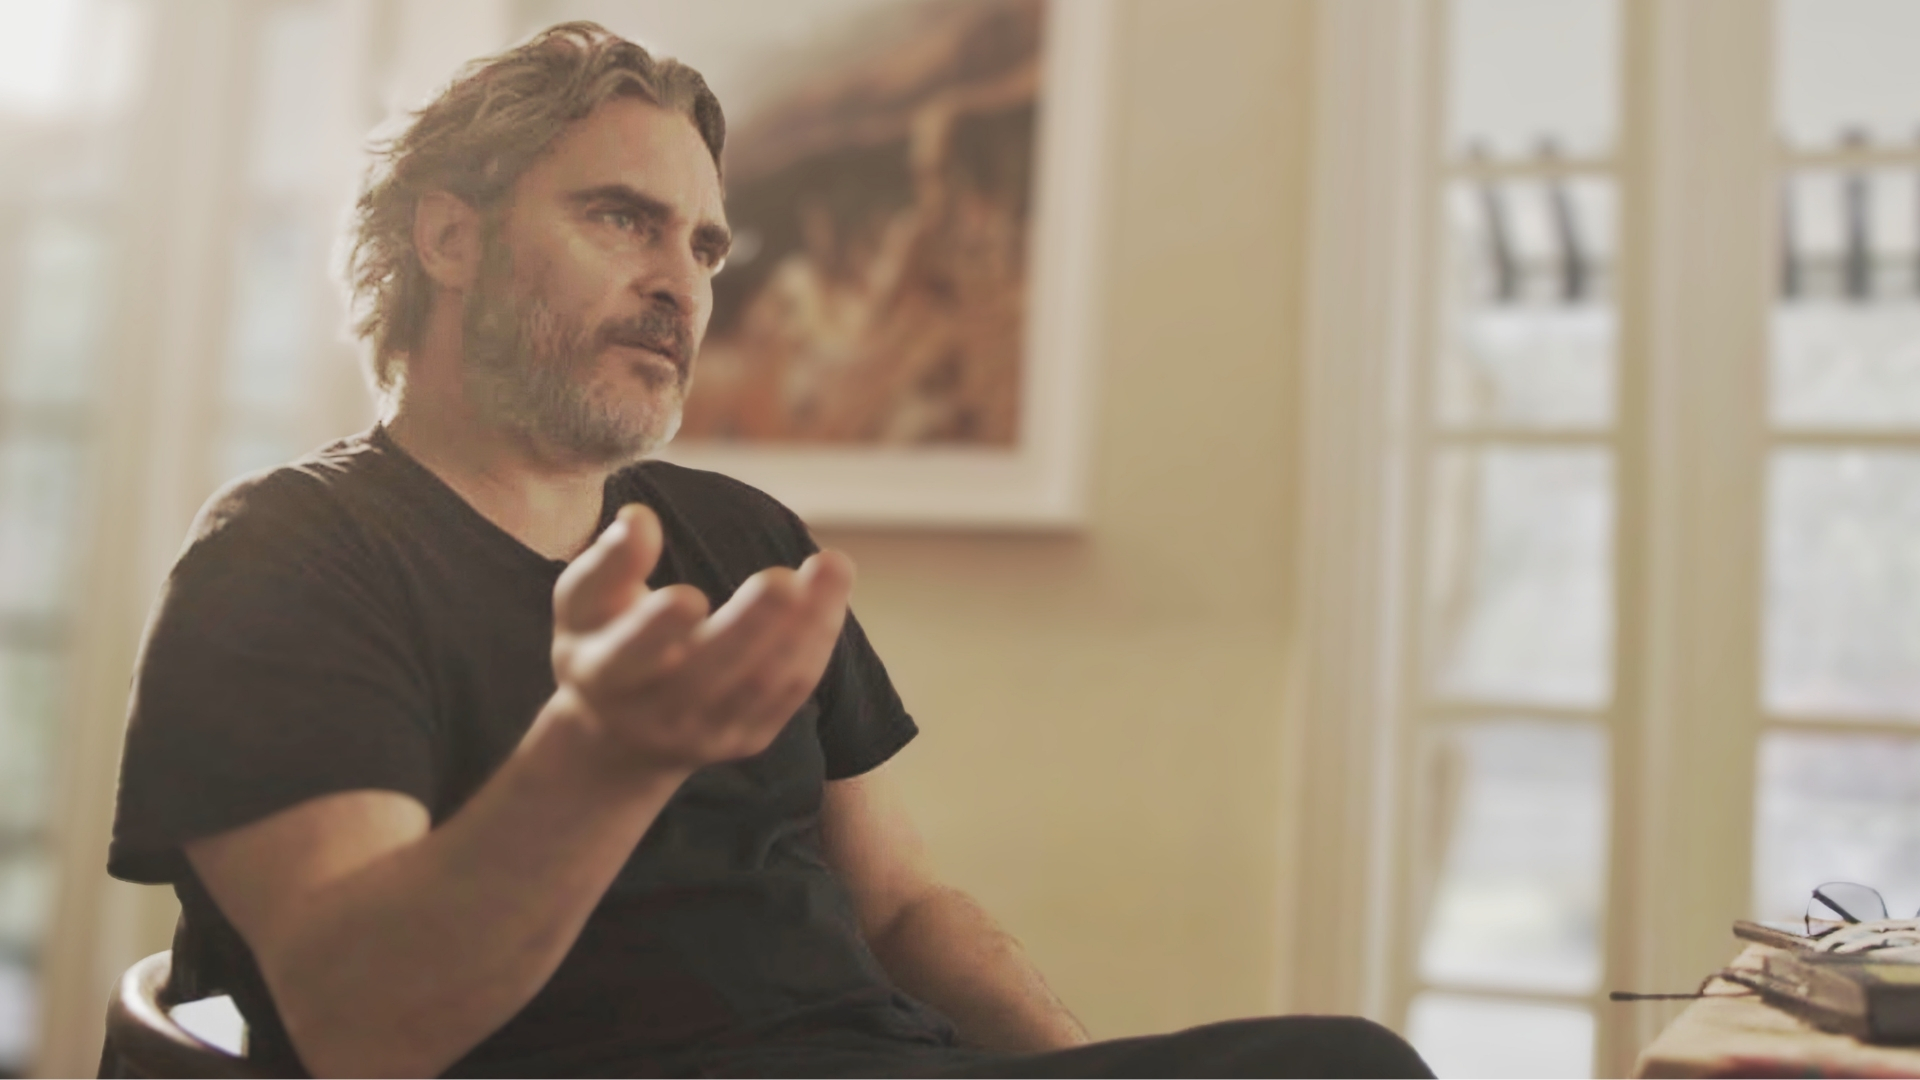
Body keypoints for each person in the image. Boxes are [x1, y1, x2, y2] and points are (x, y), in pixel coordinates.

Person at [106, 22, 1433, 1079]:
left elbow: (902, 909)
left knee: (1345, 1062)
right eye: (622, 218)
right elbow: (357, 1029)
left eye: (704, 245)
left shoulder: (743, 538)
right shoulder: (288, 561)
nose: (682, 282)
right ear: (449, 237)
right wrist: (604, 756)